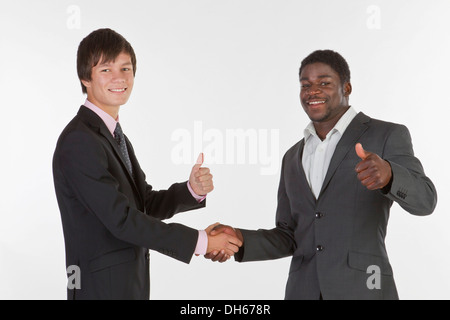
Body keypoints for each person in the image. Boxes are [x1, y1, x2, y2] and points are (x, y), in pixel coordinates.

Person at [207, 50, 437, 300]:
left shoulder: (386, 135)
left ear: (346, 87)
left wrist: (390, 176)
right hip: (302, 291)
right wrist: (239, 239)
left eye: (324, 83)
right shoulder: (292, 157)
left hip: (364, 289)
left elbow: (425, 201)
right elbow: (288, 236)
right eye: (305, 85)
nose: (312, 91)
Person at [52, 28, 242, 300]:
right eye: (106, 69)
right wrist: (202, 241)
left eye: (126, 68)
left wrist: (192, 190)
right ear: (85, 78)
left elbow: (143, 205)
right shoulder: (80, 141)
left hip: (127, 287)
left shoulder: (115, 136)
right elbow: (123, 220)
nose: (119, 78)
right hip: (99, 290)